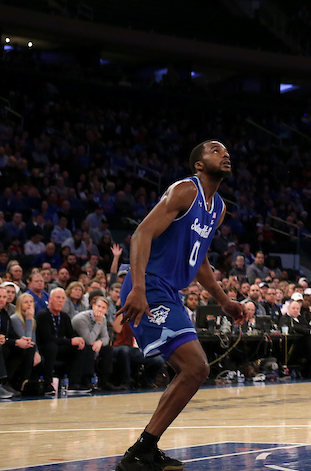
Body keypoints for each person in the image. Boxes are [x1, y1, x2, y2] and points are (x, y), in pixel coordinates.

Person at [114, 141, 251, 471]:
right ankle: (140, 452)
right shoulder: (184, 190)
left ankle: (145, 449)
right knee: (196, 367)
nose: (225, 154)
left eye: (226, 151)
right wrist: (138, 287)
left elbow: (200, 259)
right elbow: (141, 234)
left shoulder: (217, 208)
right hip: (148, 286)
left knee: (193, 370)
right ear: (199, 165)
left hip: (167, 291)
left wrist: (224, 301)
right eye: (216, 151)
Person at [70, 295, 116, 393]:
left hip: (93, 345)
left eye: (103, 308)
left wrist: (100, 342)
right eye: (98, 306)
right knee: (89, 347)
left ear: (107, 310)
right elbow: (89, 340)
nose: (100, 309)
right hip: (78, 347)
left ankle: (104, 381)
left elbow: (106, 338)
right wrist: (98, 324)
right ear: (93, 306)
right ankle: (86, 380)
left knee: (108, 349)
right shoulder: (81, 319)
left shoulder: (102, 318)